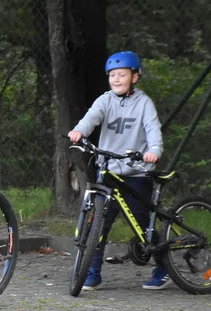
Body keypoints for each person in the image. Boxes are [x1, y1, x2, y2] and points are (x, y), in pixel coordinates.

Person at [67, 51, 166, 291]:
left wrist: (154, 150)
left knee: (144, 226)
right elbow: (91, 118)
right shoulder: (105, 100)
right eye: (112, 75)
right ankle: (92, 273)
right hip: (108, 170)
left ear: (135, 77)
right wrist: (79, 131)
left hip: (137, 173)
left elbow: (153, 129)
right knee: (98, 223)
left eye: (122, 74)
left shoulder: (144, 103)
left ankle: (163, 269)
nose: (116, 79)